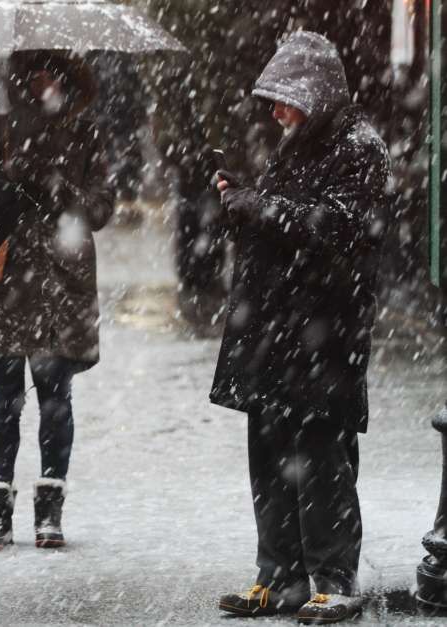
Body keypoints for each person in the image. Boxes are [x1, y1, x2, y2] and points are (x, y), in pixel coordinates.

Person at [211, 32, 391, 624]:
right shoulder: (300, 144)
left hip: (324, 331)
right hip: (278, 329)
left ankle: (333, 579)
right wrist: (244, 200)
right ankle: (280, 577)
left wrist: (258, 207)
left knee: (320, 454)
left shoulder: (358, 147)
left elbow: (337, 229)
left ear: (313, 93)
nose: (274, 112)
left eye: (283, 99)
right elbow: (289, 226)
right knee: (269, 451)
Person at [0, 51, 114, 553]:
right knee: (3, 402)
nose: (43, 83)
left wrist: (59, 187)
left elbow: (101, 208)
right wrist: (5, 180)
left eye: (53, 74)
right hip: (5, 282)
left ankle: (50, 510)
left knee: (55, 401)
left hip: (60, 284)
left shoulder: (85, 134)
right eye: (34, 75)